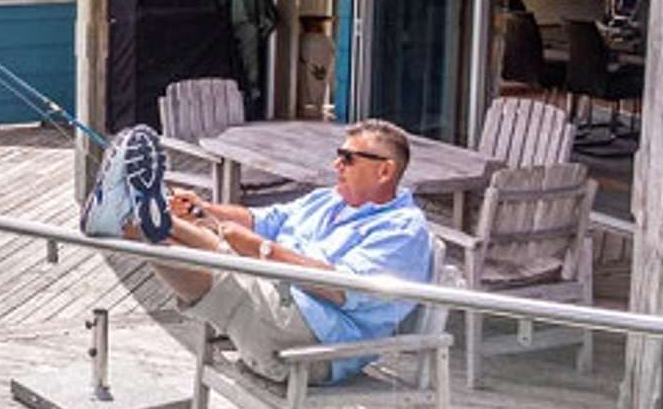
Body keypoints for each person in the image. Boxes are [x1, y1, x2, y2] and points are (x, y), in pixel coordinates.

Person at [120, 119, 435, 383]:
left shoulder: (403, 229)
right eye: (339, 155)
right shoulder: (330, 199)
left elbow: (344, 289)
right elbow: (264, 219)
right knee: (222, 254)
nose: (336, 164)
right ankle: (139, 217)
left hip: (314, 343)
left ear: (384, 171)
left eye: (348, 158)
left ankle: (136, 218)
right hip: (279, 305)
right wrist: (204, 208)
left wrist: (263, 251)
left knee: (226, 266)